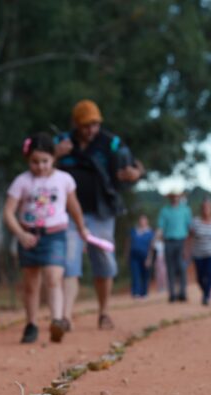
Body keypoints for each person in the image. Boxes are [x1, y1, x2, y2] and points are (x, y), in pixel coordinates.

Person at [54, 100, 144, 330]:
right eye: (86, 125)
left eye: (94, 124)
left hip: (102, 212)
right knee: (69, 263)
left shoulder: (111, 143)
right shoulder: (62, 142)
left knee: (103, 262)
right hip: (70, 214)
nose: (90, 130)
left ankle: (104, 313)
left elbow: (136, 166)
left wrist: (135, 173)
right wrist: (55, 155)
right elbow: (42, 165)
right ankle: (66, 316)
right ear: (76, 124)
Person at [4, 133, 88, 343]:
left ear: (53, 158)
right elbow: (8, 212)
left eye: (45, 161)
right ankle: (31, 324)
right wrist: (21, 234)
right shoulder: (21, 182)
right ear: (28, 160)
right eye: (35, 162)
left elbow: (74, 206)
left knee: (53, 278)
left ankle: (57, 320)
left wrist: (82, 228)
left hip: (55, 235)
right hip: (29, 237)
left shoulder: (64, 180)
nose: (40, 166)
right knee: (31, 284)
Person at [156, 191, 192, 302]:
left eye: (176, 196)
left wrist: (188, 246)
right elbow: (160, 227)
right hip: (169, 241)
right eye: (173, 196)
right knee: (170, 268)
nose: (175, 198)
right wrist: (157, 239)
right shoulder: (164, 211)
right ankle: (172, 293)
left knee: (182, 267)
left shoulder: (185, 210)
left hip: (182, 241)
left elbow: (190, 227)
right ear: (170, 198)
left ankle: (182, 292)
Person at [189, 198, 211, 306]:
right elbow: (189, 236)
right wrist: (187, 251)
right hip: (198, 253)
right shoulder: (195, 222)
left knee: (209, 274)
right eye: (204, 208)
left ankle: (206, 296)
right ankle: (205, 291)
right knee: (200, 277)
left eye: (208, 208)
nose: (206, 210)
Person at [128, 214, 154, 298]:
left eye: (144, 220)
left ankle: (144, 292)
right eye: (141, 220)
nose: (142, 222)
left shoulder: (150, 232)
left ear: (147, 221)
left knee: (145, 275)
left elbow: (151, 246)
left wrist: (149, 258)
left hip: (145, 256)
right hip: (134, 256)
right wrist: (127, 254)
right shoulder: (134, 231)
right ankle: (135, 292)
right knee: (135, 274)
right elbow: (128, 243)